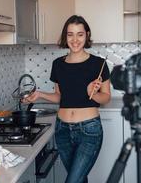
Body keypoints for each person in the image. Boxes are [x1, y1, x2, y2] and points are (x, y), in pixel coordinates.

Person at [24, 15, 111, 183]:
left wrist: (90, 91)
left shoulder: (98, 64)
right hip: (62, 130)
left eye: (80, 34)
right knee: (79, 179)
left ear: (87, 35)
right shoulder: (58, 64)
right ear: (65, 36)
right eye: (70, 34)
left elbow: (106, 98)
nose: (75, 39)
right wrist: (40, 94)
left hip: (89, 131)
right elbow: (60, 97)